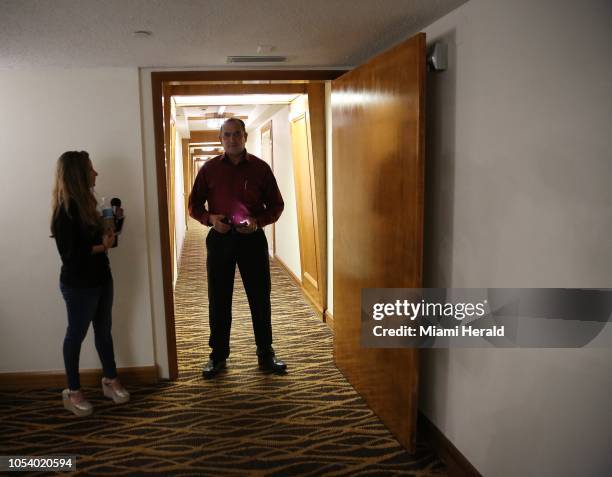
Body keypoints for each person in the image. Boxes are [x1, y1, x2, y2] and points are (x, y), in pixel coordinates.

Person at [189, 118, 287, 378]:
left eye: (237, 134)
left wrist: (258, 222)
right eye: (227, 135)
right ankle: (218, 356)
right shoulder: (209, 170)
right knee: (218, 298)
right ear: (220, 139)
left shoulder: (260, 169)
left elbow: (276, 205)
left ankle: (266, 354)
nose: (232, 139)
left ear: (244, 137)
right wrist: (210, 220)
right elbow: (194, 205)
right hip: (220, 240)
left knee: (259, 297)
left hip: (252, 240)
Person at [50, 151, 129, 416]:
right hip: (79, 286)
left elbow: (109, 239)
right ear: (78, 175)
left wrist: (115, 222)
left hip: (102, 278)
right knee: (76, 336)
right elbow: (70, 255)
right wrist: (100, 247)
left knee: (104, 331)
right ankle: (73, 392)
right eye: (92, 169)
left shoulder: (90, 203)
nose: (97, 173)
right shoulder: (65, 211)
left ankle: (110, 379)